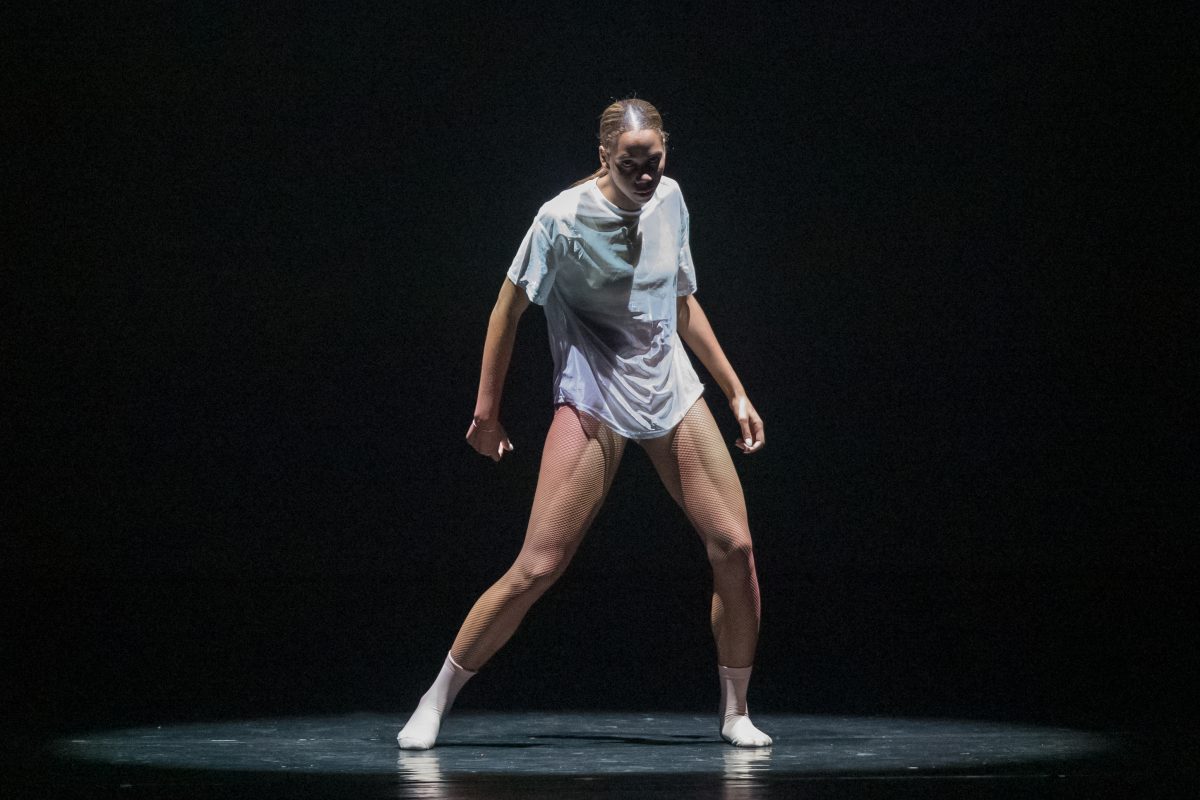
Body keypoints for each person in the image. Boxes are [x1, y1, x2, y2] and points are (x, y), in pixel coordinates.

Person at [397, 98, 771, 749]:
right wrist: (486, 412)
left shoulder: (671, 200)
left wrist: (735, 390)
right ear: (604, 156)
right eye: (631, 165)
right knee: (539, 565)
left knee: (735, 549)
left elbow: (682, 303)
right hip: (594, 395)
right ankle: (436, 698)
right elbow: (506, 311)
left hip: (670, 390)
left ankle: (735, 710)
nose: (645, 176)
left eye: (654, 162)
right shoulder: (561, 219)